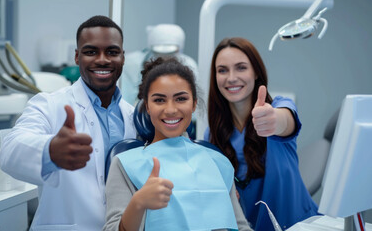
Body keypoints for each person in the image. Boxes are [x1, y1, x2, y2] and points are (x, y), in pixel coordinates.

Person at [0, 15, 136, 230]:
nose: (102, 59)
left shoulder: (132, 116)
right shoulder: (49, 104)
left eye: (112, 52)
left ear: (123, 57)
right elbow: (10, 150)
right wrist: (50, 151)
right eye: (91, 52)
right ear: (76, 56)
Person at [104, 57, 253, 231]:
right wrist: (138, 203)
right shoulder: (125, 164)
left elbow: (241, 227)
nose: (171, 110)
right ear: (147, 106)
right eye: (159, 100)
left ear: (194, 104)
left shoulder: (218, 162)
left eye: (181, 99)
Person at [205, 37, 318, 230]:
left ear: (256, 72)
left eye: (241, 67)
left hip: (297, 225)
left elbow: (286, 121)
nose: (231, 77)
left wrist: (273, 120)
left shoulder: (279, 107)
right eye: (222, 70)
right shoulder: (214, 134)